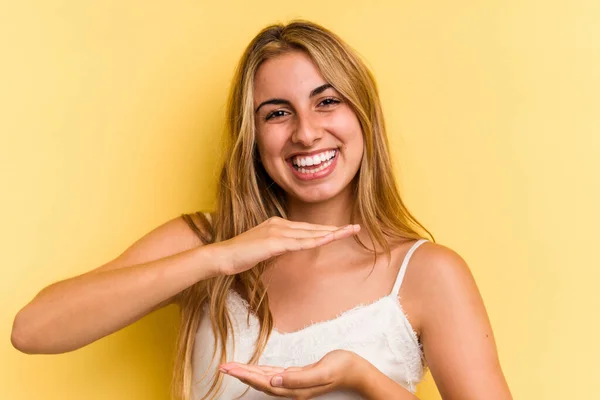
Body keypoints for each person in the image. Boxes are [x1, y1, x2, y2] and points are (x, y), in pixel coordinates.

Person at [11, 20, 512, 400]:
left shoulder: (427, 273)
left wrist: (361, 378)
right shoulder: (206, 242)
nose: (306, 132)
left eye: (327, 102)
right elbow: (33, 330)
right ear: (253, 137)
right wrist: (218, 258)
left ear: (363, 116)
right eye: (277, 113)